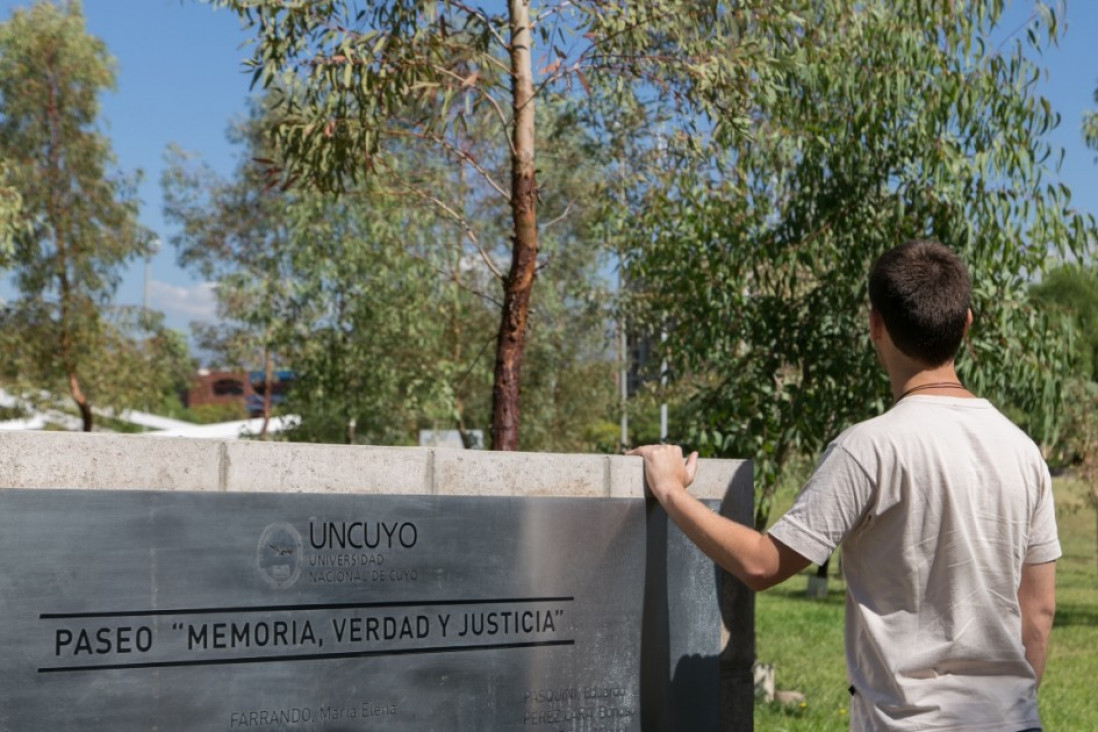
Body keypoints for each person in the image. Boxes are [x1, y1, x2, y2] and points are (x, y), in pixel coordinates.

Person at [630, 240, 1058, 731]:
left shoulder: (869, 448)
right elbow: (1039, 611)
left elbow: (762, 562)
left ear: (875, 326)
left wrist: (670, 491)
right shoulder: (1024, 451)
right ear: (966, 324)